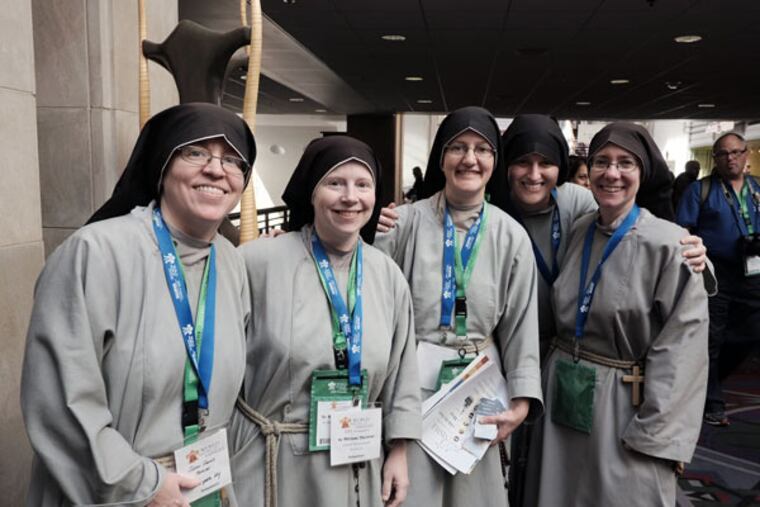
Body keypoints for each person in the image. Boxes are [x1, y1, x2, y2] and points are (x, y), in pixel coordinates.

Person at [21, 103, 256, 506]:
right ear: (162, 164)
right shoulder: (95, 252)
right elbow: (61, 401)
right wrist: (142, 484)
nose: (217, 170)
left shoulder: (231, 261)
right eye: (196, 152)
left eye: (233, 160)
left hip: (203, 484)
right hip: (117, 490)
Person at [229, 135, 421, 507]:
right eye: (335, 183)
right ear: (312, 193)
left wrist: (399, 450)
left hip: (355, 458)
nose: (350, 197)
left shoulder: (387, 274)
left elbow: (402, 373)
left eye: (363, 185)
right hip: (273, 461)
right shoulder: (257, 263)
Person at [526, 122, 709, 506]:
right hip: (562, 391)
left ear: (643, 173)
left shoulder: (669, 244)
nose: (612, 173)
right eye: (601, 162)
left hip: (624, 405)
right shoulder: (579, 230)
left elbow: (683, 352)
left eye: (626, 163)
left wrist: (658, 435)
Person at [374, 106, 543, 507]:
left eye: (482, 149)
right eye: (458, 148)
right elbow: (376, 310)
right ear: (441, 158)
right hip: (412, 382)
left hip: (479, 386)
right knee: (411, 494)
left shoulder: (511, 236)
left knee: (476, 497)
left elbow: (521, 325)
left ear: (495, 162)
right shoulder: (402, 224)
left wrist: (521, 401)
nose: (470, 159)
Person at [676, 132, 760, 426]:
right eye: (723, 154)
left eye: (736, 152)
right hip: (714, 275)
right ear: (716, 158)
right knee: (710, 339)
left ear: (746, 154)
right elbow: (681, 233)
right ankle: (711, 401)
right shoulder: (701, 190)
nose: (731, 158)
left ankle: (708, 382)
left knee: (751, 333)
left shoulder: (756, 188)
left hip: (752, 273)